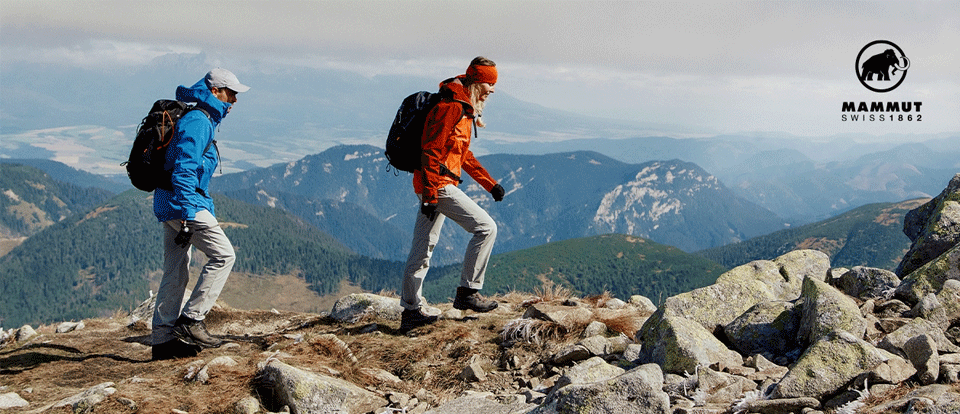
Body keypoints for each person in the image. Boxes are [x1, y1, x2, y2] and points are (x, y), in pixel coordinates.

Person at [399, 57, 507, 332]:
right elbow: (431, 151)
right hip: (437, 185)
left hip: (432, 185)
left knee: (422, 248)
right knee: (486, 228)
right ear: (476, 81)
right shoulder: (451, 107)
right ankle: (467, 293)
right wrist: (431, 196)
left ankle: (410, 311)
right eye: (489, 84)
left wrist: (490, 184)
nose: (492, 90)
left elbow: (461, 153)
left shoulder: (464, 106)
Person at [151, 68, 249, 360]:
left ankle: (163, 341)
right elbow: (184, 168)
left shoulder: (200, 118)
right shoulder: (198, 122)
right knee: (224, 255)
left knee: (176, 270)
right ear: (215, 91)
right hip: (183, 204)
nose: (234, 100)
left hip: (170, 203)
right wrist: (188, 212)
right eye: (230, 93)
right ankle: (192, 321)